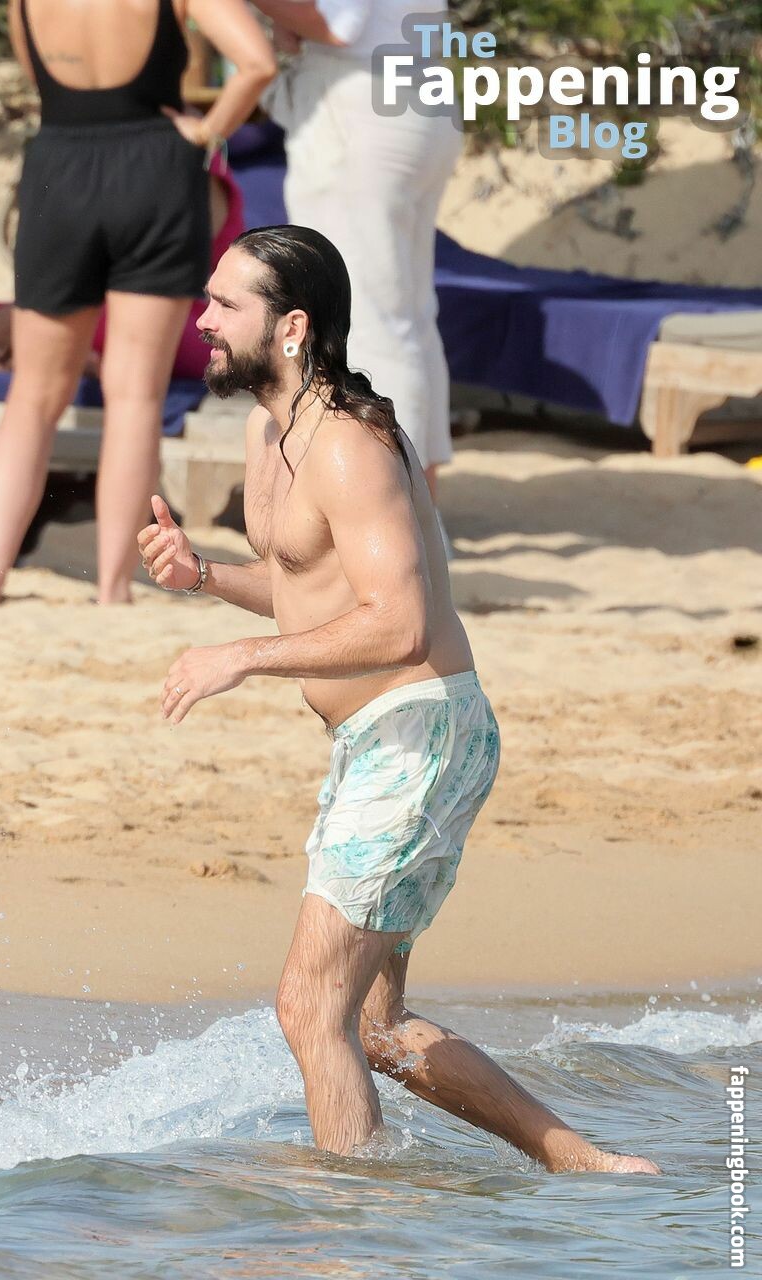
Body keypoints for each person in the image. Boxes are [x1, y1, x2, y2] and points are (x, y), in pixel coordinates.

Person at [136, 225, 657, 1174]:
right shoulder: (270, 432)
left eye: (224, 304)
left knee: (309, 1008)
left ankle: (358, 1226)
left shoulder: (349, 446)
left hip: (421, 736)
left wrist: (244, 658)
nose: (201, 319)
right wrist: (204, 576)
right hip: (385, 743)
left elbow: (401, 624)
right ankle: (586, 1166)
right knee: (374, 1028)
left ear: (292, 327)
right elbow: (308, 584)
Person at [0, 0, 274, 608]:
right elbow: (257, 64)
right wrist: (208, 131)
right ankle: (112, 588)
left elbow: (43, 81)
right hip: (154, 169)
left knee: (32, 397)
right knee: (135, 395)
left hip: (59, 168)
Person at [250, 0, 460, 499]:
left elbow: (336, 21)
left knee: (364, 322)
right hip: (411, 90)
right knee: (407, 317)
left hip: (359, 101)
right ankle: (419, 503)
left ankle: (397, 508)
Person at [0, 148, 246, 381]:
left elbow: (161, 273)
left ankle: (28, 353)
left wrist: (25, 317)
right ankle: (38, 355)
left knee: (114, 320)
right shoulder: (82, 143)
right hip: (88, 311)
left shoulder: (186, 148)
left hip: (181, 318)